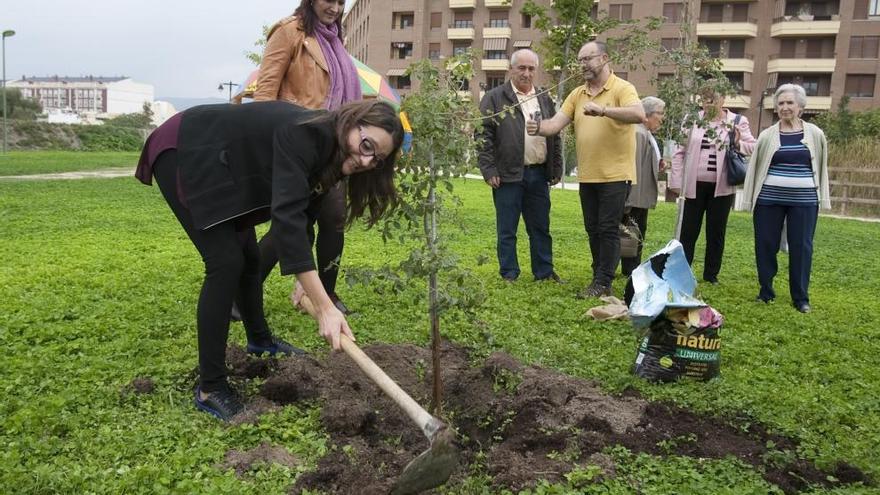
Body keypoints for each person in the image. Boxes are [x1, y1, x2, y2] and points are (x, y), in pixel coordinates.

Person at [135, 100, 404, 420]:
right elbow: (286, 221)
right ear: (352, 122)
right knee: (225, 262)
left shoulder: (333, 156)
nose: (366, 159)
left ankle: (260, 341)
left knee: (248, 257)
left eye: (377, 158)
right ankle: (211, 387)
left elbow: (303, 220)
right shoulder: (307, 134)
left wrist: (305, 285)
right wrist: (324, 305)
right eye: (366, 145)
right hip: (189, 149)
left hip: (230, 165)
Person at [252, 0, 360, 315]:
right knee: (293, 225)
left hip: (332, 148)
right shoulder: (288, 32)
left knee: (334, 220)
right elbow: (265, 93)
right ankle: (241, 294)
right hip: (297, 144)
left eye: (342, 2)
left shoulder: (335, 40)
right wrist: (267, 148)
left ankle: (324, 294)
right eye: (330, 0)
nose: (336, 8)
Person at [526, 40, 645, 298]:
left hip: (616, 174)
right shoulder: (577, 94)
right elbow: (555, 124)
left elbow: (639, 114)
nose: (582, 65)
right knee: (592, 228)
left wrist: (603, 110)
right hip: (589, 175)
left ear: (603, 58)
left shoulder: (623, 88)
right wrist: (538, 128)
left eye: (587, 59)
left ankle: (603, 281)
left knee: (608, 227)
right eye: (580, 60)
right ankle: (599, 274)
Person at [740, 84, 830, 313]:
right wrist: (749, 199)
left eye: (790, 103)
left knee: (802, 247)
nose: (785, 107)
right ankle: (766, 291)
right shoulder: (768, 135)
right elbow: (756, 168)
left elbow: (821, 167)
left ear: (800, 107)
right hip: (769, 199)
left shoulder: (815, 134)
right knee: (765, 244)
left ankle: (800, 298)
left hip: (805, 200)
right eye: (781, 103)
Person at [477, 49, 564, 283]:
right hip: (506, 176)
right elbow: (482, 136)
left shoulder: (545, 98)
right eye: (521, 68)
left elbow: (555, 135)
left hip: (538, 173)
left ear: (536, 70)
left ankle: (544, 272)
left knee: (540, 228)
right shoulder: (495, 97)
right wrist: (489, 169)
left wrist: (555, 168)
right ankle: (509, 273)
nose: (526, 73)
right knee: (507, 230)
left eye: (531, 68)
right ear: (511, 69)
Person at [668, 88, 756, 284]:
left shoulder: (737, 121)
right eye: (705, 99)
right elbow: (679, 152)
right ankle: (682, 272)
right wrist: (676, 182)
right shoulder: (692, 119)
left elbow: (753, 145)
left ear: (723, 99)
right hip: (693, 186)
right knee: (688, 232)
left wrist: (738, 143)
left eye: (713, 99)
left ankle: (711, 275)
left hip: (722, 188)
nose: (709, 103)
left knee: (716, 232)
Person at [620, 96, 666, 276]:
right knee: (632, 231)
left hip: (642, 196)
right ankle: (630, 269)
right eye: (659, 113)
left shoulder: (646, 133)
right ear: (647, 114)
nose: (662, 118)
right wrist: (629, 198)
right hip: (636, 196)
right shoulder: (638, 133)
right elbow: (634, 167)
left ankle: (630, 268)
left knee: (635, 230)